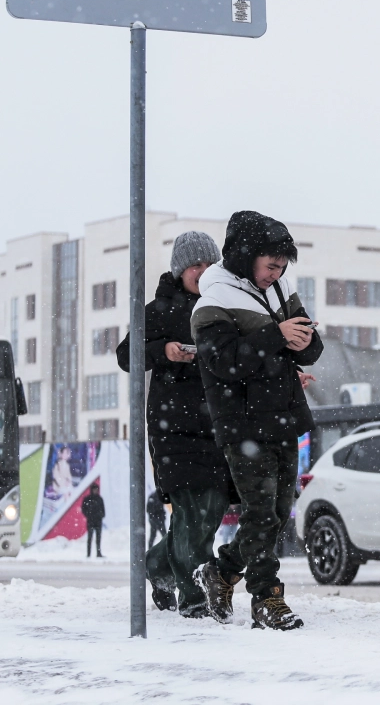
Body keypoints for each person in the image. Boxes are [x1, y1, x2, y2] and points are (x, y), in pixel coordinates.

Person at [190, 211, 323, 631]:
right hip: (242, 423)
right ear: (246, 257)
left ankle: (222, 572)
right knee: (261, 510)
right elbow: (223, 362)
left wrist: (303, 340)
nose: (277, 273)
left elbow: (309, 348)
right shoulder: (213, 298)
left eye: (282, 266)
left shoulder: (281, 288)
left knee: (278, 511)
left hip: (281, 417)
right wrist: (277, 336)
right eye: (271, 265)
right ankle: (267, 598)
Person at [118, 231, 235, 617]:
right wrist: (163, 350)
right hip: (174, 428)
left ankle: (158, 564)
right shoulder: (160, 309)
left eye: (208, 264)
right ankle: (194, 596)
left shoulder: (225, 305)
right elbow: (125, 355)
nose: (201, 272)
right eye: (194, 266)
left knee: (210, 511)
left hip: (217, 427)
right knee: (191, 511)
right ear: (179, 269)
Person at [81, 484, 105, 558]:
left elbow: (103, 509)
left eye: (96, 489)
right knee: (90, 538)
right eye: (94, 489)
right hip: (91, 521)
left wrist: (101, 515)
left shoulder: (99, 499)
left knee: (98, 538)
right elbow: (83, 509)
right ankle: (88, 553)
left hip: (98, 521)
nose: (95, 491)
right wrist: (88, 515)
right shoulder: (87, 499)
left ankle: (98, 552)